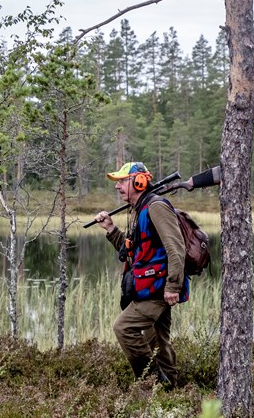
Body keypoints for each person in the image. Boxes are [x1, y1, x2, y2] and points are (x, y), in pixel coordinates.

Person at [94, 161, 189, 387]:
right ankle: (171, 393)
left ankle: (152, 383)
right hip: (150, 286)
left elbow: (176, 248)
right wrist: (111, 229)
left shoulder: (156, 207)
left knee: (124, 328)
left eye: (122, 181)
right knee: (157, 341)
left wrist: (173, 287)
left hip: (159, 288)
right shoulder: (140, 210)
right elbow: (133, 253)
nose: (117, 187)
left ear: (139, 181)